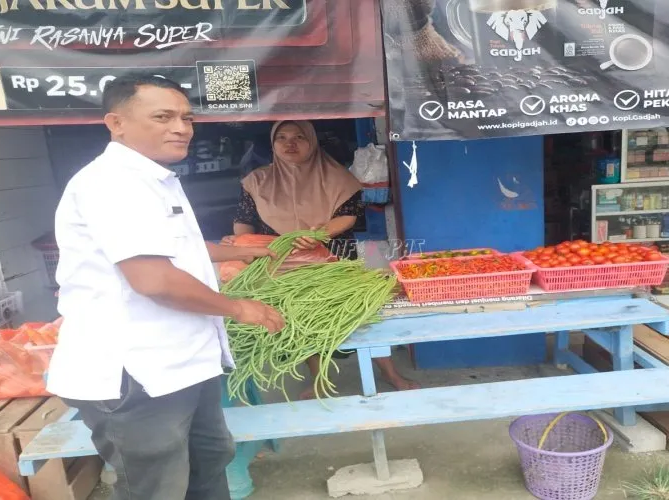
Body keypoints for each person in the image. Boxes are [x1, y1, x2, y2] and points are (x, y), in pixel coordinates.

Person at [47, 74, 285, 500]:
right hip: (135, 374)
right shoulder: (110, 183)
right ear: (116, 123)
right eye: (163, 116)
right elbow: (153, 278)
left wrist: (239, 254)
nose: (181, 127)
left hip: (184, 362)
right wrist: (236, 308)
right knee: (158, 486)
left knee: (210, 461)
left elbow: (174, 247)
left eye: (186, 117)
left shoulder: (152, 178)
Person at [233, 120, 420, 400]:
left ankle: (389, 372)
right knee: (303, 318)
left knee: (360, 313)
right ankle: (319, 379)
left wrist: (319, 234)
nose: (289, 143)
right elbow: (244, 221)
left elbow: (350, 214)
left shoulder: (338, 177)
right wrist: (243, 246)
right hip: (281, 260)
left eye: (299, 137)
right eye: (281, 138)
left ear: (312, 141)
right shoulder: (256, 181)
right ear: (272, 145)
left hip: (333, 256)